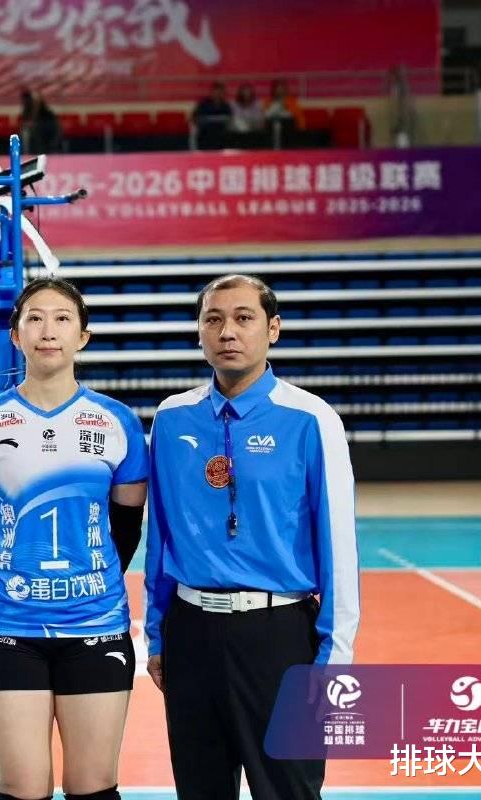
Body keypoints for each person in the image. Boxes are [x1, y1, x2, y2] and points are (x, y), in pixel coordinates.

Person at [144, 274, 360, 800]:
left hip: (280, 637)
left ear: (273, 329)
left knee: (288, 790)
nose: (228, 332)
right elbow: (161, 537)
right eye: (213, 319)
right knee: (199, 790)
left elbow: (338, 546)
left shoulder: (311, 419)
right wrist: (157, 634)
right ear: (199, 331)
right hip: (191, 633)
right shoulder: (171, 419)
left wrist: (334, 658)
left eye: (244, 318)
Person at [0, 277, 148, 800]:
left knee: (94, 787)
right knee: (22, 789)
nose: (48, 331)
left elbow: (126, 528)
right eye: (35, 318)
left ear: (82, 336)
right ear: (15, 334)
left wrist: (89, 579)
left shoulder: (117, 422)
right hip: (7, 626)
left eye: (63, 319)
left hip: (96, 625)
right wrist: (16, 577)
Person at [192, 81, 232, 147]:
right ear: (211, 92)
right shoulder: (203, 104)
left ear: (223, 93)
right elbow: (195, 118)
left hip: (221, 136)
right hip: (206, 135)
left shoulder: (225, 105)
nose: (217, 94)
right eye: (216, 92)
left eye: (220, 92)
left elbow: (229, 119)